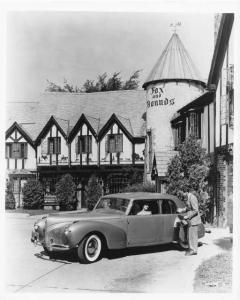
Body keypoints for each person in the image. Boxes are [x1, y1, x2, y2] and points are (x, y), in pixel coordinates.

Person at [177, 187, 202, 256]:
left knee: (193, 235)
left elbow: (196, 210)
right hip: (191, 220)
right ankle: (192, 249)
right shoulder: (188, 197)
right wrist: (181, 210)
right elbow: (188, 208)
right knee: (190, 235)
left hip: (194, 220)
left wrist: (187, 216)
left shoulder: (192, 198)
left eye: (182, 193)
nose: (182, 195)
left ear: (186, 192)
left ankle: (193, 251)